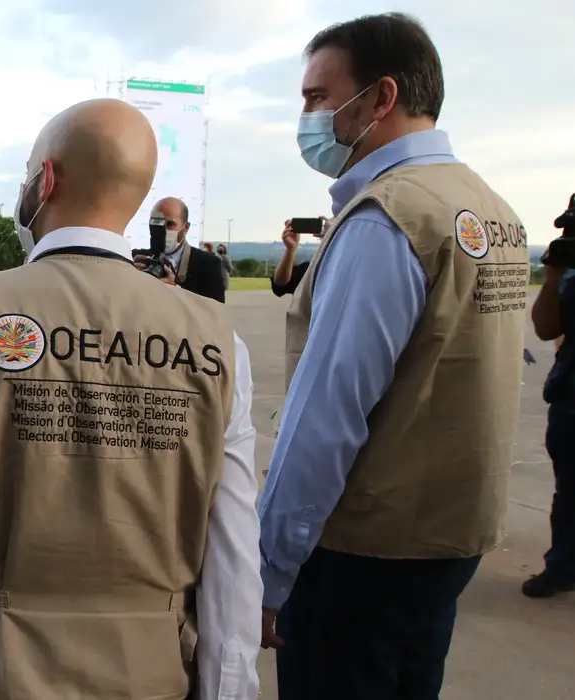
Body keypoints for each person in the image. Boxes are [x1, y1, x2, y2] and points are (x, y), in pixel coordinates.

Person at [0, 98, 261, 700]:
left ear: (48, 179)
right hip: (152, 672)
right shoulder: (219, 342)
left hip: (0, 669)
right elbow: (235, 560)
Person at [258, 14, 529, 700]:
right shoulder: (489, 208)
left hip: (366, 549)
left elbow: (327, 415)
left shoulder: (388, 218)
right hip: (449, 538)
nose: (306, 115)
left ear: (380, 98)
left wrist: (268, 569)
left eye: (319, 97)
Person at [526, 247, 575, 598]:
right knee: (569, 496)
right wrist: (555, 271)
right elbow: (545, 328)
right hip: (571, 404)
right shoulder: (569, 279)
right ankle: (562, 568)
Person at [145, 197, 226, 303]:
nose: (162, 230)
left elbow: (215, 311)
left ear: (186, 227)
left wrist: (175, 290)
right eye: (156, 224)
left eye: (169, 224)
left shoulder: (208, 264)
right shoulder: (137, 259)